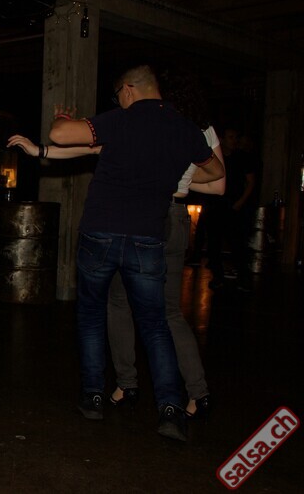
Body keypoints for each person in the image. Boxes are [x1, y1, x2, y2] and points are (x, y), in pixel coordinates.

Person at [48, 64, 223, 442]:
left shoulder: (120, 120)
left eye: (119, 95)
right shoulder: (185, 129)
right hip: (147, 238)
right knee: (155, 325)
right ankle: (170, 411)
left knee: (92, 316)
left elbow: (58, 135)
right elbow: (214, 173)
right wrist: (172, 174)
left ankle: (94, 397)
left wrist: (63, 118)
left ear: (128, 89)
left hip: (100, 233)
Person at [107, 69, 225, 420]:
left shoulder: (151, 122)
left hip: (143, 215)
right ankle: (199, 393)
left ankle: (126, 385)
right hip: (177, 216)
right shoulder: (201, 128)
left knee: (119, 301)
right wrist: (182, 182)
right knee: (170, 310)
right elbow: (219, 186)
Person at [207, 128, 258, 290]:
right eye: (230, 137)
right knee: (214, 243)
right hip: (215, 205)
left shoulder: (242, 157)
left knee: (237, 243)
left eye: (235, 137)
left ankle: (243, 278)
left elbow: (251, 181)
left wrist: (240, 202)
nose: (234, 140)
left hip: (233, 206)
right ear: (221, 139)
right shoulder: (214, 157)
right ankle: (218, 277)